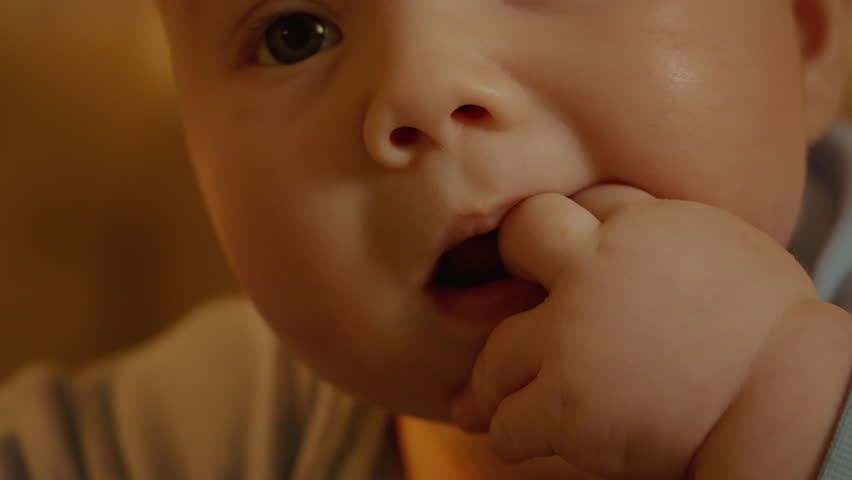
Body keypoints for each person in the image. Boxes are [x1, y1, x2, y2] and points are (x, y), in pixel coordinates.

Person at [3, 0, 852, 478]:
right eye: (294, 33)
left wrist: (786, 397)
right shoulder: (209, 434)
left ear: (806, 31)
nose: (421, 85)